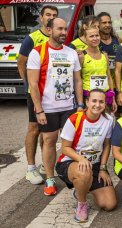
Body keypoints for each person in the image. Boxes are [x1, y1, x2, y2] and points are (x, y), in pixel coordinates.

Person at [27, 18, 83, 196]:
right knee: (49, 141)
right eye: (59, 29)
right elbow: (33, 84)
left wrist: (80, 105)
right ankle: (50, 179)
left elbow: (77, 80)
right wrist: (39, 109)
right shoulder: (37, 52)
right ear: (49, 29)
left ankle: (72, 175)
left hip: (69, 106)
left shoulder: (71, 52)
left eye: (65, 29)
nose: (63, 32)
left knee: (71, 143)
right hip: (48, 108)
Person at [55, 89, 117, 223]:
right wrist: (80, 158)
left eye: (101, 101)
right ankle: (82, 203)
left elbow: (107, 145)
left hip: (94, 164)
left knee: (109, 204)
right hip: (70, 162)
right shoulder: (75, 119)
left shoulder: (108, 120)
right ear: (87, 102)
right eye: (94, 101)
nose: (97, 105)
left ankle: (82, 188)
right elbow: (65, 148)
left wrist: (103, 168)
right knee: (84, 172)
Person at [17, 5, 58, 185]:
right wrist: (28, 84)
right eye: (48, 14)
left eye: (54, 15)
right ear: (41, 18)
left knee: (48, 132)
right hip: (35, 93)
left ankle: (44, 165)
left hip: (52, 94)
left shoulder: (58, 37)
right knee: (34, 129)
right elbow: (21, 63)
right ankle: (31, 168)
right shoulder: (31, 39)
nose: (51, 17)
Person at [78, 27, 116, 112]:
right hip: (89, 98)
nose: (95, 38)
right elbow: (78, 80)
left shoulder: (104, 55)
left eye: (97, 35)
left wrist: (113, 98)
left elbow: (109, 77)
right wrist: (80, 103)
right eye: (91, 36)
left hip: (105, 97)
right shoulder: (82, 56)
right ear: (85, 39)